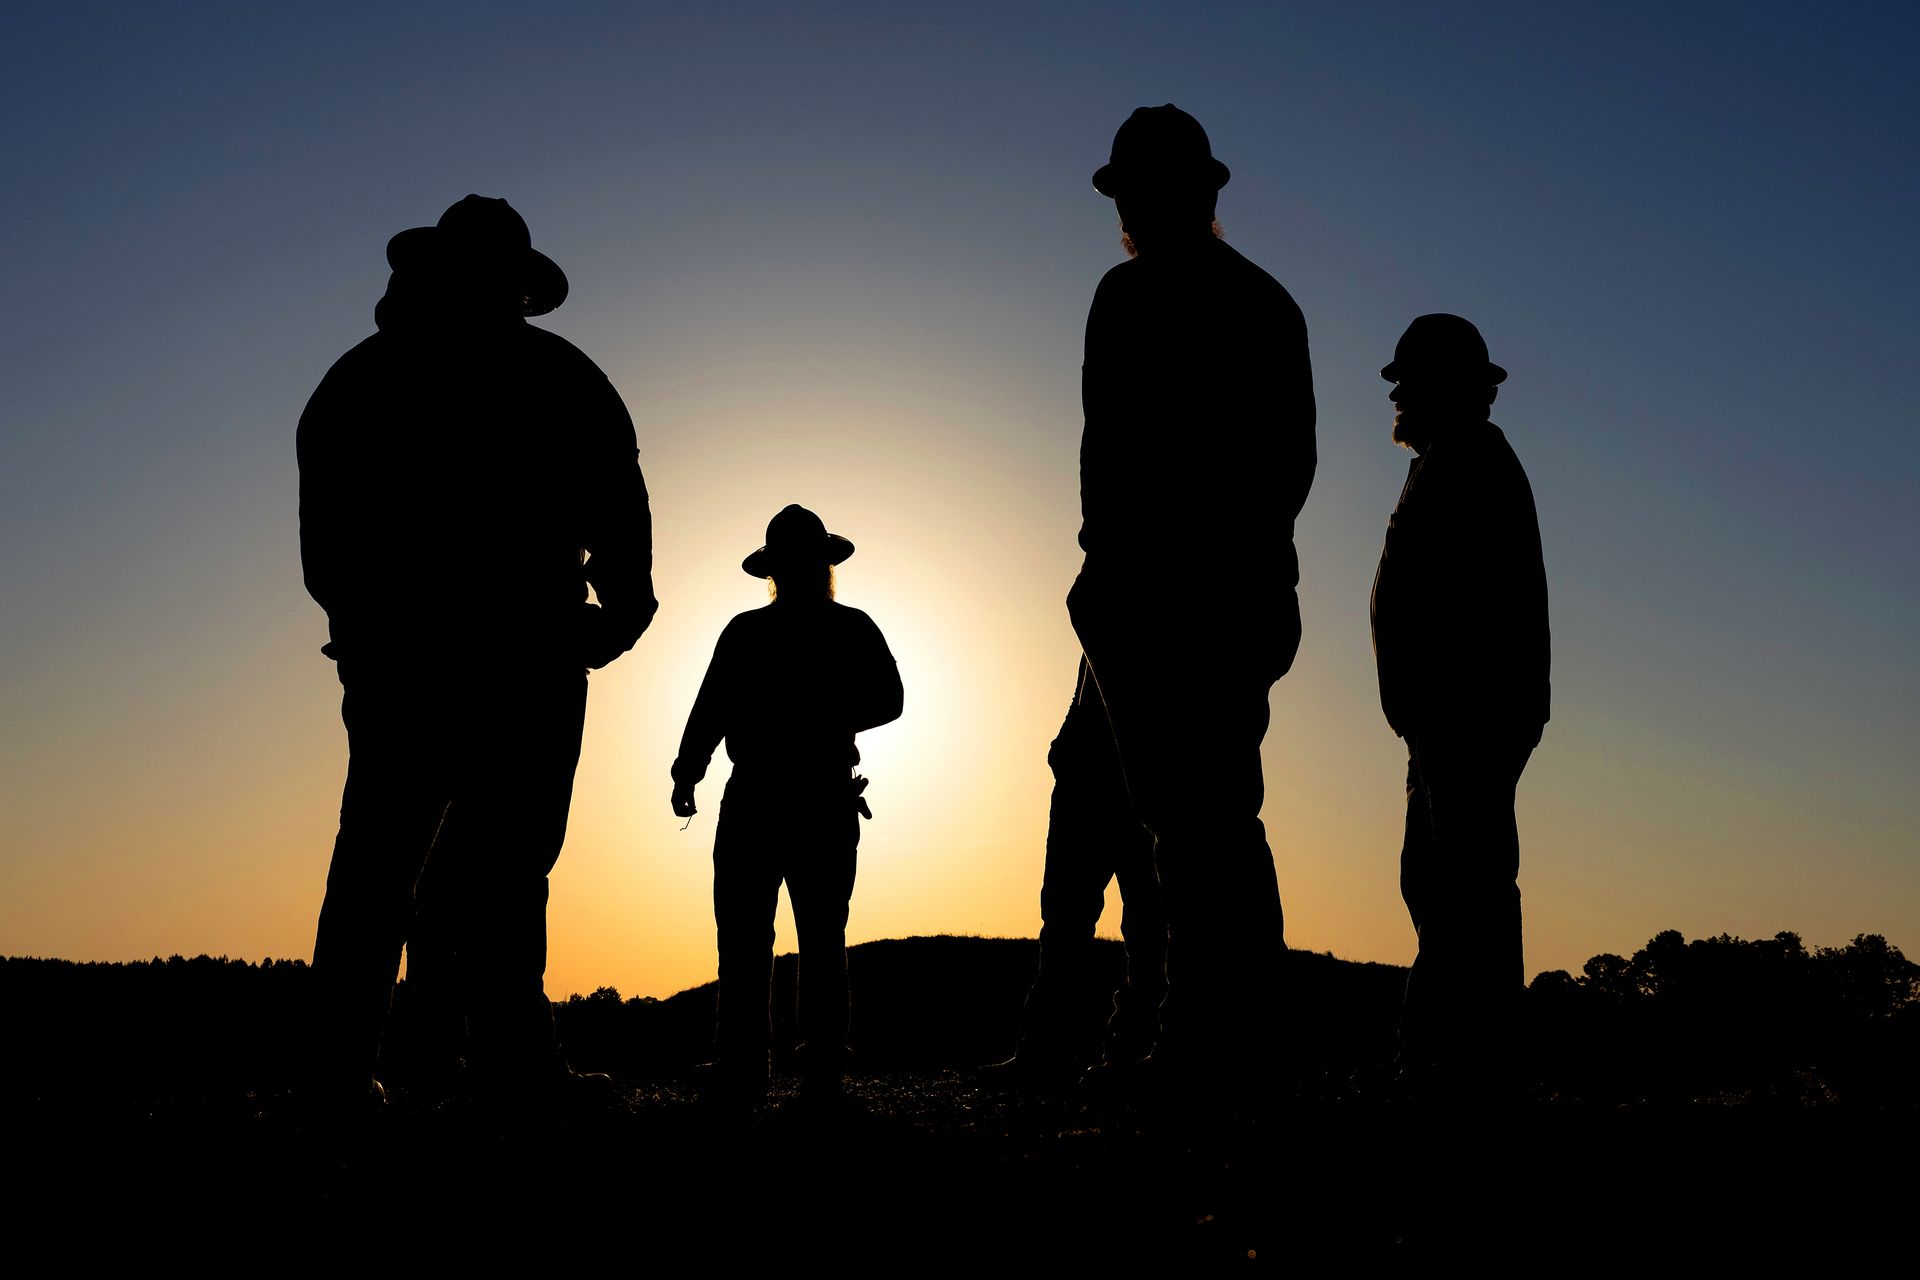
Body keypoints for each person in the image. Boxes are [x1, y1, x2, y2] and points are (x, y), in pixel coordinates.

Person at [297, 195, 657, 1108]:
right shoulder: (557, 376)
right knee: (459, 862)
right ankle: (474, 1062)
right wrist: (617, 613)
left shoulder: (362, 380)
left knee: (423, 861)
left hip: (454, 658)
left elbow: (326, 547)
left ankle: (384, 1068)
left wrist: (615, 614)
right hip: (494, 654)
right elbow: (621, 513)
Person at [1064, 105, 1317, 1088]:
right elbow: (1107, 458)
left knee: (1201, 819)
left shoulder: (1173, 301)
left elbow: (1268, 469)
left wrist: (1137, 572)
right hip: (1185, 595)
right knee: (1205, 817)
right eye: (1128, 191)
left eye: (1143, 189)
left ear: (1200, 194)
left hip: (1198, 596)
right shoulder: (1243, 301)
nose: (1131, 207)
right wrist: (1104, 583)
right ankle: (1228, 1030)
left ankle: (1210, 1034)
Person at [670, 505, 903, 1108]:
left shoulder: (749, 632)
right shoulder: (845, 627)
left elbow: (711, 710)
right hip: (806, 796)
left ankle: (760, 1067)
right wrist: (688, 768)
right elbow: (888, 699)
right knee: (810, 934)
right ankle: (803, 1069)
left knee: (766, 935)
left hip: (770, 797)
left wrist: (688, 771)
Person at [1369, 313, 1549, 1082]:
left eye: (1409, 384)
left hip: (1466, 713)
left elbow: (1472, 604)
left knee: (1461, 882)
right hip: (1449, 715)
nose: (1398, 397)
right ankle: (1452, 1054)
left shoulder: (1471, 463)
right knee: (1441, 879)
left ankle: (1464, 1059)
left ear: (1450, 389)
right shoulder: (1448, 460)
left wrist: (1443, 704)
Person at [984, 658, 1164, 1091]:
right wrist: (1067, 739)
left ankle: (1131, 1046)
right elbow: (1093, 664)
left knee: (1147, 921)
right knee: (1068, 917)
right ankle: (1048, 1049)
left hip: (1140, 769)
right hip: (1088, 772)